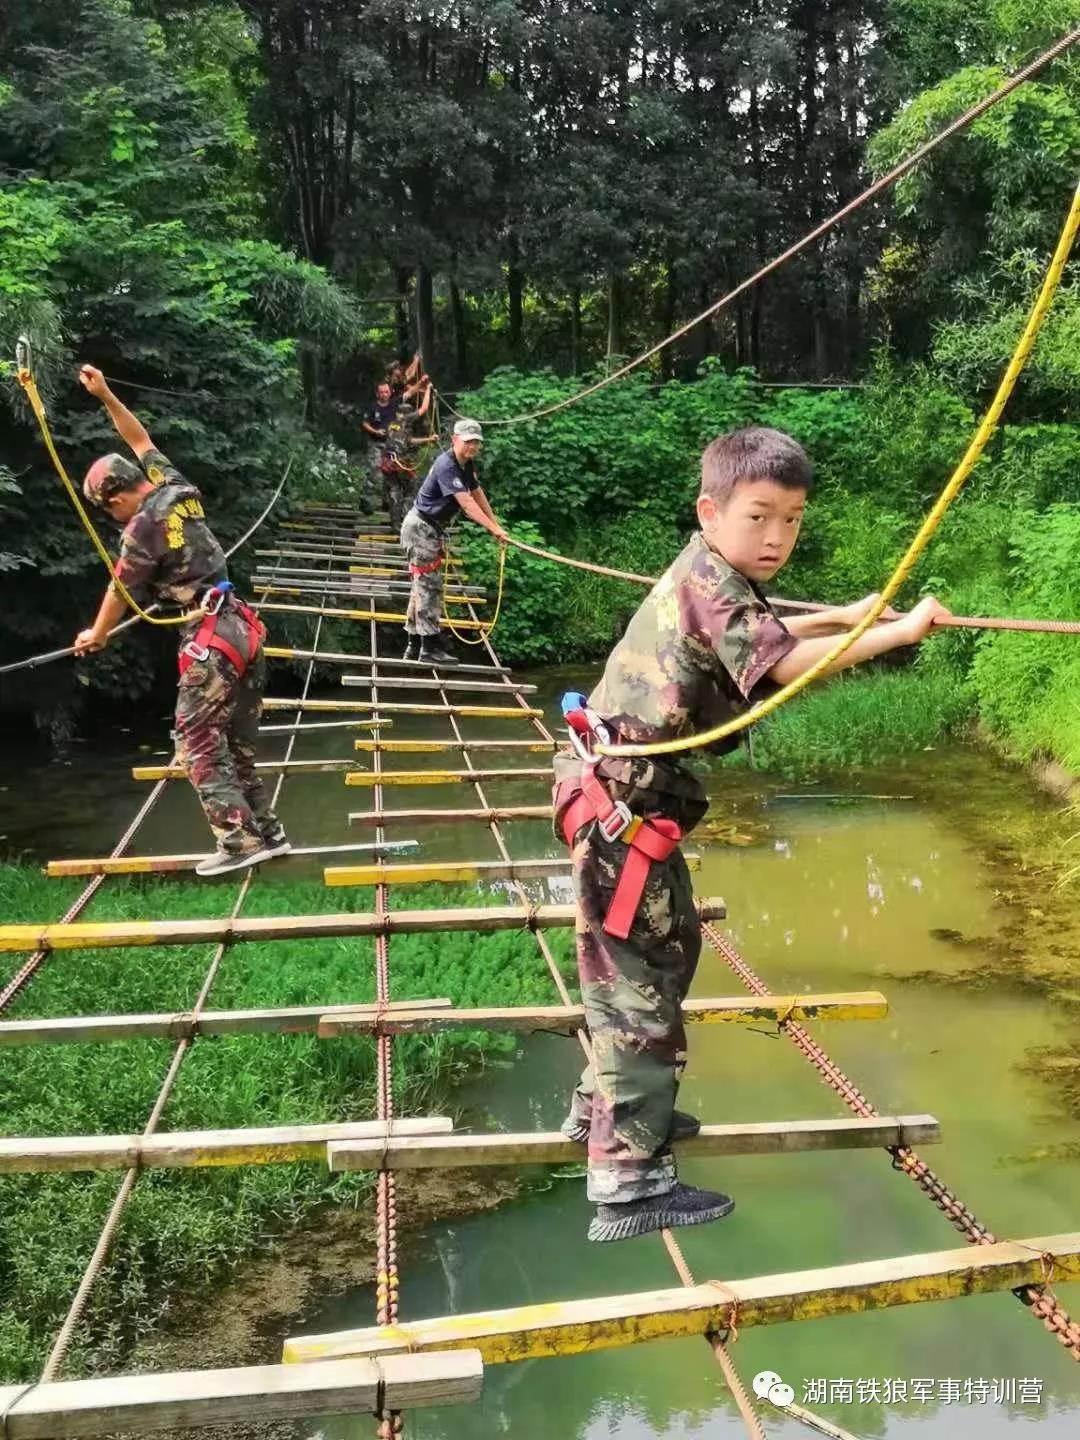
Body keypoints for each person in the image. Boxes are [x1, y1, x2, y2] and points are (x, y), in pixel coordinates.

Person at [552, 426, 951, 1243]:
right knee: (636, 987)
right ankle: (627, 1181)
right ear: (711, 510)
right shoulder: (714, 585)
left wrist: (848, 614)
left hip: (624, 805)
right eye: (761, 517)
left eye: (793, 521)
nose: (777, 537)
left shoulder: (712, 573)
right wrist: (897, 634)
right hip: (620, 814)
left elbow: (766, 638)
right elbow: (778, 667)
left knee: (660, 956)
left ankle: (602, 1111)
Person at [72, 365, 290, 878]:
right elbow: (139, 436)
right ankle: (269, 833)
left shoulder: (141, 528)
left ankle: (238, 840)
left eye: (110, 509)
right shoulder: (174, 485)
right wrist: (106, 394)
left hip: (210, 642)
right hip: (241, 628)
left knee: (195, 739)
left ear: (119, 496)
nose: (113, 518)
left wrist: (97, 634)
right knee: (233, 743)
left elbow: (121, 589)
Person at [399, 417, 507, 665]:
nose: (473, 447)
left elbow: (477, 493)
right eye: (468, 442)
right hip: (421, 528)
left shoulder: (465, 465)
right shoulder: (447, 465)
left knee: (421, 585)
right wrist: (493, 529)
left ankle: (414, 643)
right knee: (429, 586)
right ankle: (429, 648)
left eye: (476, 443)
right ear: (455, 440)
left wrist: (496, 526)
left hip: (429, 528)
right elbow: (467, 504)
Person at [381, 381, 438, 531]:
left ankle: (395, 524)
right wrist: (428, 391)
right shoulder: (406, 419)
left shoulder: (391, 423)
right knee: (411, 490)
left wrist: (428, 439)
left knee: (394, 490)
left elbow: (409, 441)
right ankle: (406, 520)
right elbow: (424, 408)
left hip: (387, 462)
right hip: (401, 463)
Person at [360, 381, 399, 508]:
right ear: (377, 394)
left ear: (390, 393)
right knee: (375, 471)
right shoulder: (372, 407)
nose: (384, 394)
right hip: (375, 443)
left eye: (386, 392)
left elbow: (409, 393)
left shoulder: (394, 405)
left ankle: (386, 502)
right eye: (381, 392)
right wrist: (376, 431)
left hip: (390, 445)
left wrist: (422, 384)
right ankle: (367, 500)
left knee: (390, 473)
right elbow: (365, 423)